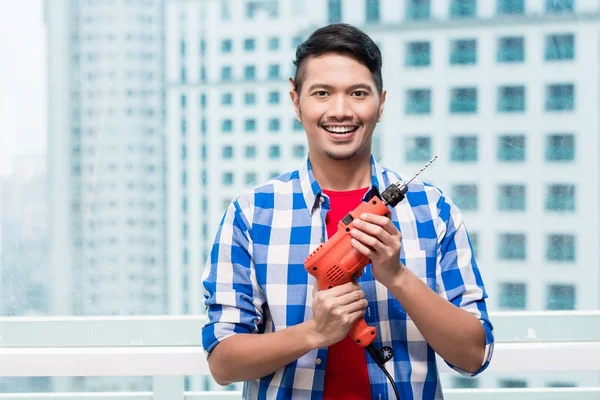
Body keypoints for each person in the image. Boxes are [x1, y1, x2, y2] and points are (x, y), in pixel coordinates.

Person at [201, 23, 494, 400]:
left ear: (381, 103)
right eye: (322, 93)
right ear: (296, 101)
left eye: (358, 93)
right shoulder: (252, 214)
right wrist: (314, 333)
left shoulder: (433, 210)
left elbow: (473, 356)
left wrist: (396, 275)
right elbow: (223, 363)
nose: (340, 111)